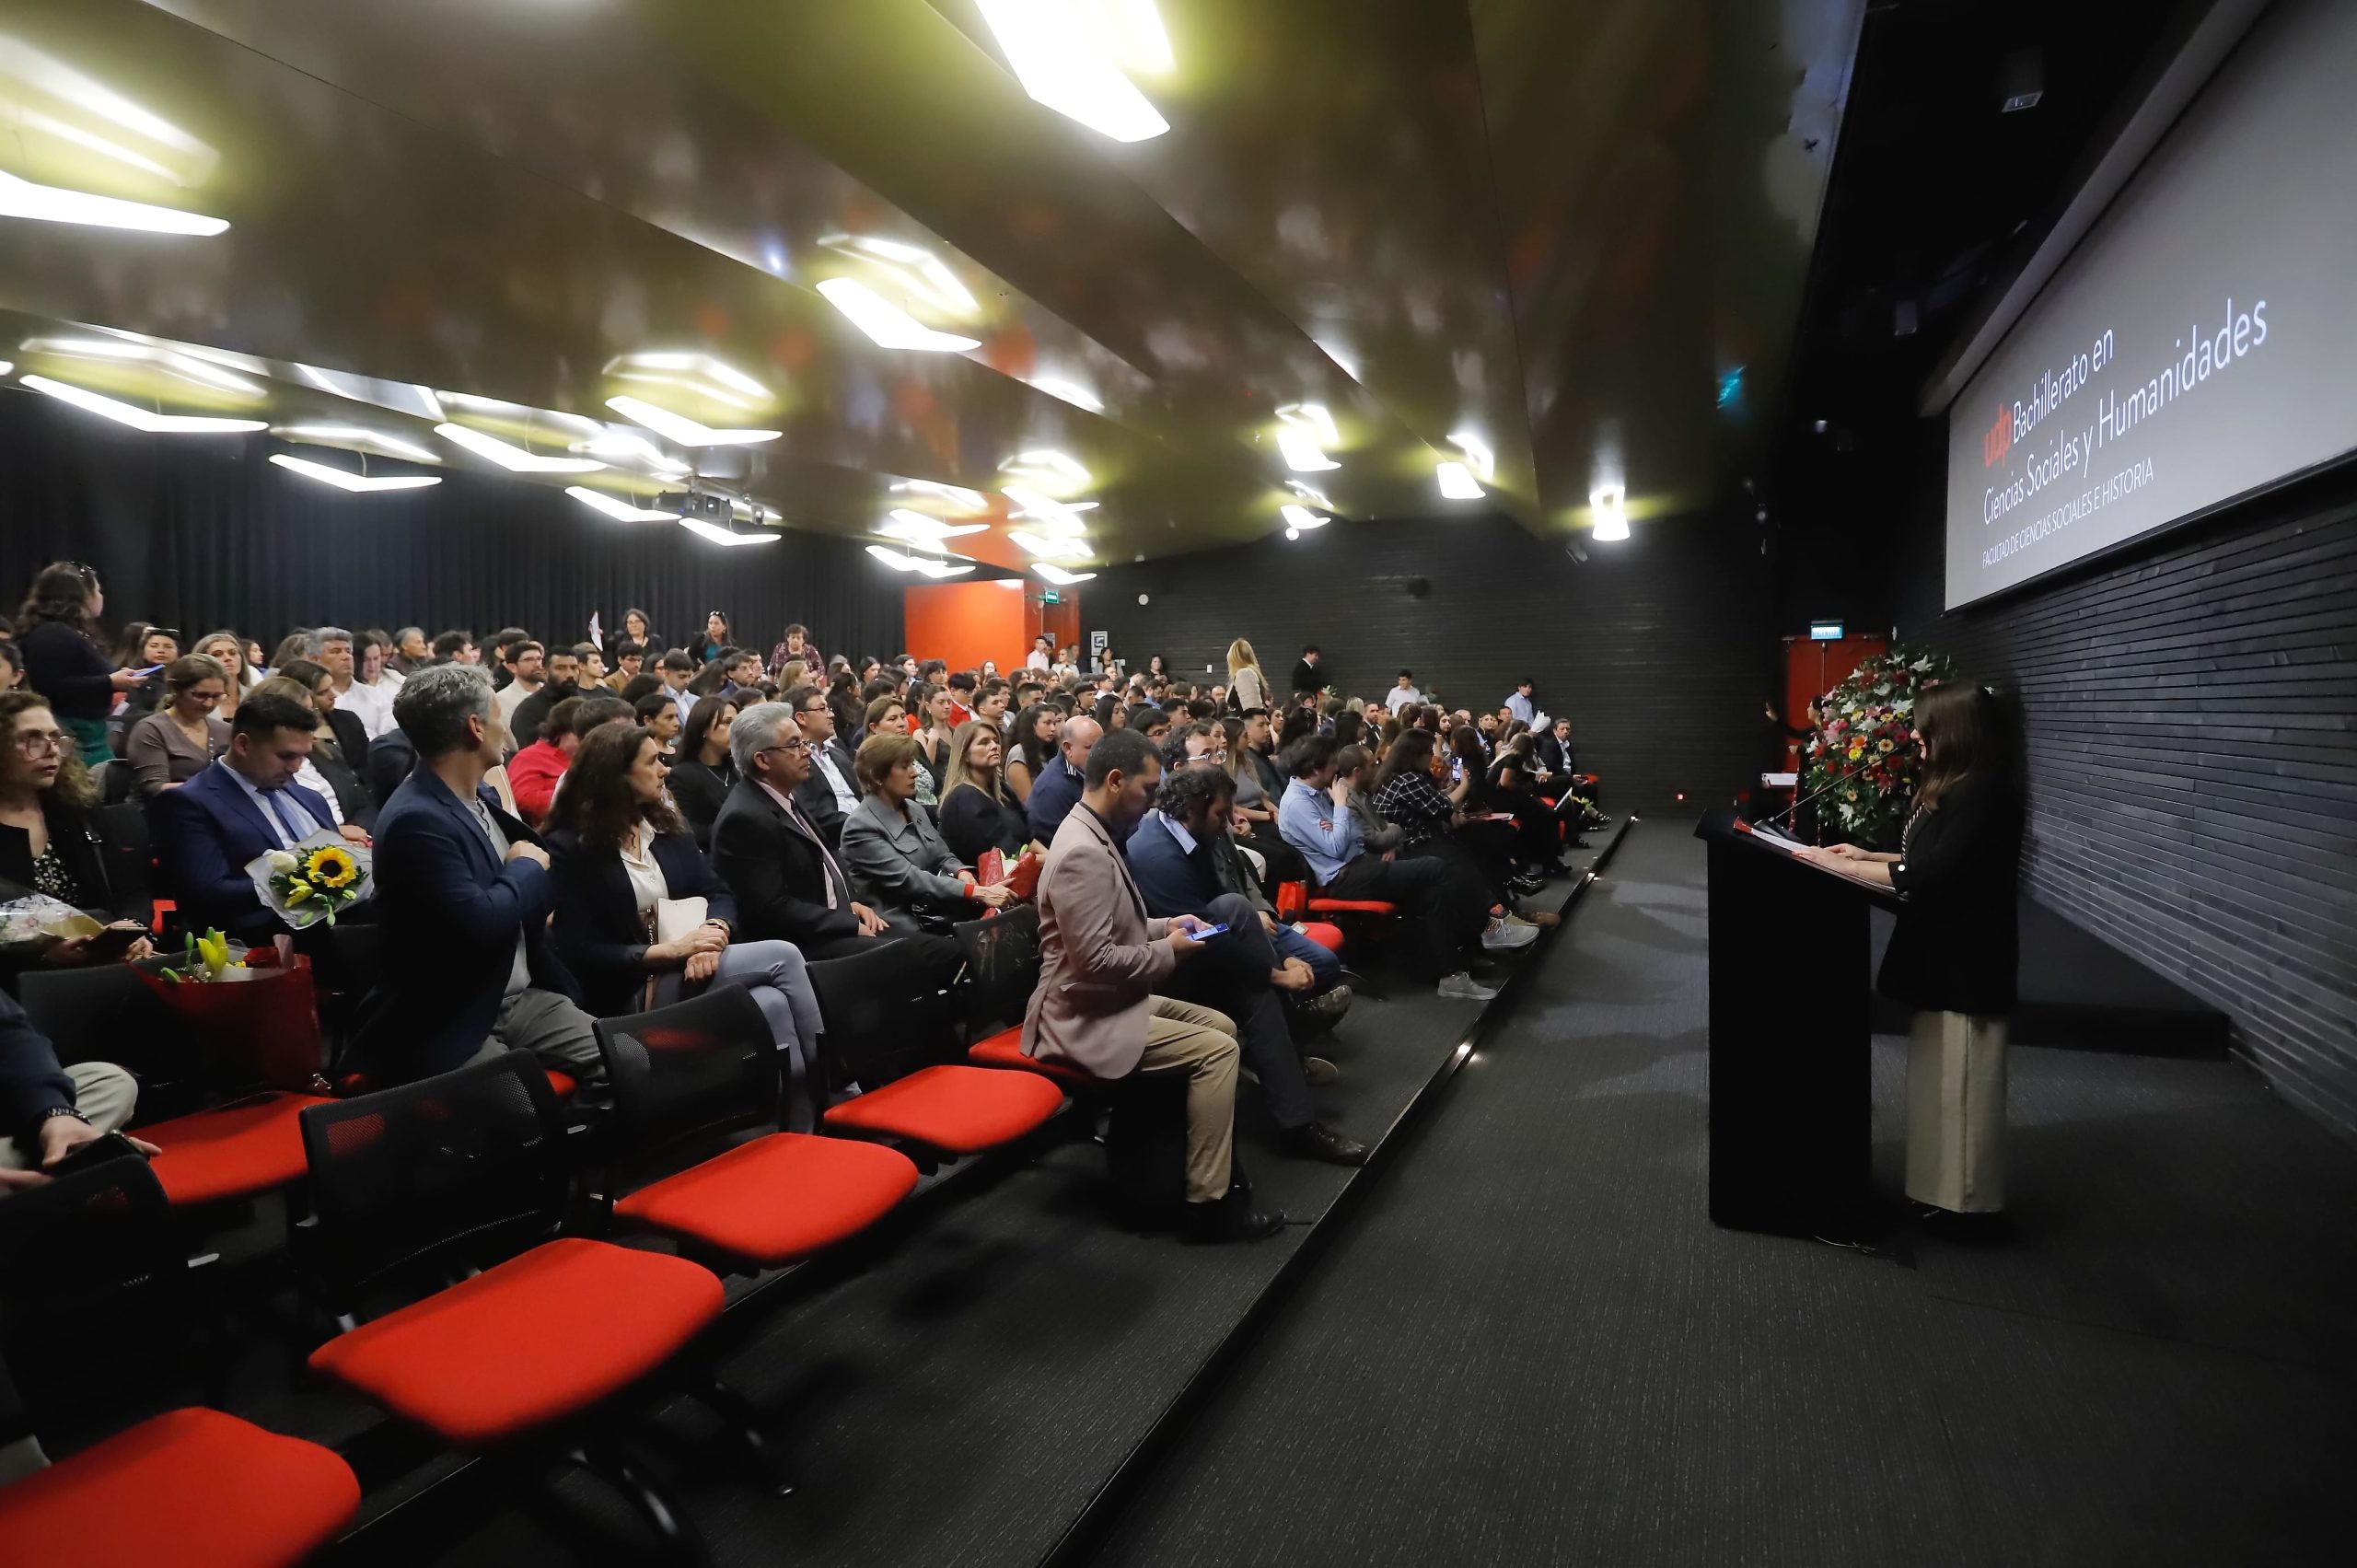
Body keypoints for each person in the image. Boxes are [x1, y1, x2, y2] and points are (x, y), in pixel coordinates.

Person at [1025, 727, 1279, 1242]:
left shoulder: (1091, 832)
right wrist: (1171, 951)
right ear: (1116, 781)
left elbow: (1112, 928)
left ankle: (1174, 1164)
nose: (1151, 803)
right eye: (1146, 789)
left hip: (1100, 999)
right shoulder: (1082, 851)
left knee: (1223, 1025)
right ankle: (1209, 1205)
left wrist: (1166, 927)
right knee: (1219, 1051)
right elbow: (1095, 961)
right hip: (1080, 1014)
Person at [1797, 682, 2026, 1220]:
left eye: (1926, 731)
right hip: (1940, 958)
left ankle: (1967, 1209)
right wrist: (1864, 855)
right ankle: (1938, 1195)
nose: (1917, 739)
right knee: (1938, 1085)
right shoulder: (1960, 784)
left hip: (1966, 962)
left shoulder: (1985, 791)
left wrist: (1846, 867)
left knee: (1962, 1085)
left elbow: (1935, 873)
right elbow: (1923, 858)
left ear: (1955, 731)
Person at [545, 724, 826, 1125]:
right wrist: (666, 953)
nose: (665, 769)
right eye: (652, 762)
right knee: (783, 955)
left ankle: (797, 1125)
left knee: (772, 1003)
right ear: (616, 775)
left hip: (693, 961)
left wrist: (715, 933)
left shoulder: (663, 825)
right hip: (632, 987)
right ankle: (835, 1081)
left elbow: (718, 891)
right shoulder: (571, 848)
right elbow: (576, 949)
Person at [353, 664, 602, 1086]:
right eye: (497, 716)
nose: (504, 728)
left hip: (519, 996)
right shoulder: (416, 819)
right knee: (524, 1108)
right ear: (475, 727)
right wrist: (525, 868)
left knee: (633, 1062)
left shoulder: (479, 796)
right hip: (453, 1013)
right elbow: (480, 920)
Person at [1127, 762, 1359, 1062]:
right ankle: (1293, 1034)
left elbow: (1243, 877)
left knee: (1322, 964)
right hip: (1214, 938)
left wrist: (1266, 920)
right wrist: (1276, 973)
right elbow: (1207, 932)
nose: (1228, 821)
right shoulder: (1166, 853)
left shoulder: (1210, 829)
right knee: (1258, 978)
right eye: (1221, 812)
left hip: (1246, 920)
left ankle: (1290, 1032)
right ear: (1193, 808)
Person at [709, 703, 960, 975]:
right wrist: (845, 922)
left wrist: (851, 903)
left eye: (803, 743)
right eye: (794, 745)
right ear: (762, 760)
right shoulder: (745, 817)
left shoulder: (784, 796)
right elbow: (773, 909)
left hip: (833, 920)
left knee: (947, 944)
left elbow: (826, 861)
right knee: (941, 953)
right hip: (802, 944)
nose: (806, 751)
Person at [1279, 734, 1504, 999]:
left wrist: (1338, 825)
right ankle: (1486, 928)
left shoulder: (1316, 794)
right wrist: (1339, 808)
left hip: (1361, 864)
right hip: (1344, 878)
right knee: (1437, 866)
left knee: (1433, 893)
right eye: (1331, 763)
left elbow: (1354, 834)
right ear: (1316, 768)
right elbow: (1337, 845)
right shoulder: (1299, 803)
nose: (1336, 769)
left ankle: (1453, 972)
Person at [148, 691, 366, 942]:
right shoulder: (188, 803)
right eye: (286, 756)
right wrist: (299, 883)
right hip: (260, 939)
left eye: (303, 756)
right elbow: (206, 891)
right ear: (243, 745)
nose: (296, 767)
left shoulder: (309, 798)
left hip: (343, 922)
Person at [0, 693, 152, 976]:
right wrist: (44, 955)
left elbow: (131, 893)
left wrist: (130, 927)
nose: (52, 750)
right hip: (17, 981)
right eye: (32, 739)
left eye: (55, 738)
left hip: (100, 965)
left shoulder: (76, 808)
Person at [839, 732, 1012, 930]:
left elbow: (943, 855)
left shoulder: (914, 809)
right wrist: (972, 891)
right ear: (877, 776)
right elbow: (909, 879)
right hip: (902, 920)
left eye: (912, 764)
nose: (915, 773)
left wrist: (961, 871)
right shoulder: (859, 827)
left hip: (939, 906)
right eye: (904, 767)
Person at [14, 563, 143, 765]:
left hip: (89, 734)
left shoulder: (70, 632)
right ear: (81, 595)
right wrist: (109, 682)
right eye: (98, 591)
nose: (101, 597)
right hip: (73, 737)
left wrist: (113, 679)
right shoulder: (53, 633)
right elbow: (50, 686)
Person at [261, 665, 377, 832]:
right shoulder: (265, 772)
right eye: (305, 714)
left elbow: (361, 805)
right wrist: (336, 832)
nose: (313, 721)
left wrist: (363, 833)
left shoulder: (327, 753)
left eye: (313, 712)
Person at [124, 655, 231, 796]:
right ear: (176, 689)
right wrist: (213, 788)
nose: (208, 704)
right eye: (200, 695)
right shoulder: (150, 729)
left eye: (217, 696)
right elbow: (154, 788)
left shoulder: (226, 730)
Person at [936, 718, 1034, 868]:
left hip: (1020, 867)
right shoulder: (964, 797)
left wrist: (1049, 856)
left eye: (996, 741)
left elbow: (1029, 837)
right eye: (984, 742)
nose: (994, 746)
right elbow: (1006, 856)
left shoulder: (1001, 789)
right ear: (965, 755)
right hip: (985, 877)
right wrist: (1049, 861)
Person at [783, 685, 859, 851]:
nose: (831, 714)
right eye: (822, 709)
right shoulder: (795, 761)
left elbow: (862, 795)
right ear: (801, 718)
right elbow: (817, 816)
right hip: (839, 843)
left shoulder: (838, 752)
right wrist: (867, 823)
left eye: (828, 709)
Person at [505, 695, 586, 830]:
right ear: (562, 731)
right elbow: (523, 799)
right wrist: (573, 797)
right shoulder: (530, 757)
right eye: (581, 734)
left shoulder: (588, 756)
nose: (587, 739)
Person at [668, 696, 737, 847]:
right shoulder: (683, 775)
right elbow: (686, 828)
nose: (735, 729)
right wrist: (734, 830)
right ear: (704, 729)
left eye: (737, 723)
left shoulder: (737, 768)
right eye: (727, 722)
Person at [1025, 714, 1100, 843]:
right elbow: (1067, 844)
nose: (1099, 753)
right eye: (1090, 748)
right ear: (1068, 748)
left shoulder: (1084, 770)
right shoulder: (1052, 789)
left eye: (1101, 746)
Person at [507, 644, 582, 753]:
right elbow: (532, 754)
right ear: (545, 673)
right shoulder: (528, 711)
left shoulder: (588, 704)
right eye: (560, 668)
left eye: (574, 668)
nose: (570, 674)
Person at [490, 640, 546, 737]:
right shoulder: (503, 699)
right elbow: (513, 739)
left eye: (539, 659)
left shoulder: (553, 692)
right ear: (512, 667)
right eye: (529, 660)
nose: (537, 664)